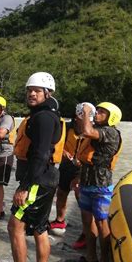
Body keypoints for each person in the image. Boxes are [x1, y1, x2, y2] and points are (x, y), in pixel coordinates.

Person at [0, 72, 65, 262]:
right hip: (48, 178)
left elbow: (41, 154)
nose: (32, 93)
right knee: (40, 229)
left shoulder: (43, 118)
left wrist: (25, 187)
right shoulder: (49, 114)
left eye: (37, 90)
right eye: (29, 89)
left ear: (47, 93)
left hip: (38, 180)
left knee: (15, 226)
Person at [75, 102, 122, 262]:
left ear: (112, 117)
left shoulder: (111, 133)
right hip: (87, 182)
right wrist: (82, 115)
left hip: (101, 185)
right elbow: (82, 130)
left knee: (102, 222)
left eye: (102, 112)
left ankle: (105, 259)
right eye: (97, 111)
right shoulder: (98, 129)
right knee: (87, 221)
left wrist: (87, 111)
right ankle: (91, 256)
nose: (97, 113)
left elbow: (87, 131)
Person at [49, 103, 96, 250]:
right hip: (66, 166)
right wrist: (63, 152)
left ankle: (86, 233)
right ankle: (59, 220)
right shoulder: (66, 127)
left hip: (83, 169)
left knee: (82, 199)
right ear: (76, 117)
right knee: (61, 192)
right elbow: (56, 143)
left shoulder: (94, 132)